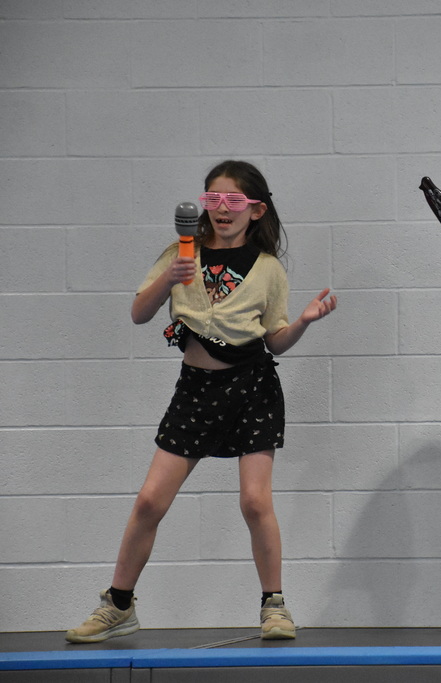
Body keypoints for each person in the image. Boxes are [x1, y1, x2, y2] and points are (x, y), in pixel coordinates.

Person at [66, 160, 337, 643]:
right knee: (150, 499)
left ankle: (274, 606)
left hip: (252, 387)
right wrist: (170, 277)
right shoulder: (179, 253)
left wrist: (304, 321)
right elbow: (138, 313)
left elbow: (275, 340)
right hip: (196, 390)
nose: (221, 209)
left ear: (255, 210)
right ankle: (118, 604)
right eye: (212, 199)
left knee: (255, 501)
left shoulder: (268, 268)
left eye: (233, 200)